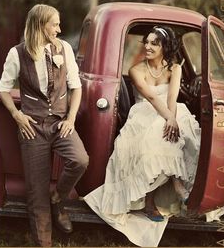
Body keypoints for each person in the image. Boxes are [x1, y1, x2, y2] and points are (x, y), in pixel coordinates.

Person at [84, 26, 201, 247]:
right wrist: (169, 119)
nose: (147, 46)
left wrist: (172, 119)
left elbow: (171, 98)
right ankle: (172, 188)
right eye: (146, 42)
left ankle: (156, 198)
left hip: (170, 112)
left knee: (174, 132)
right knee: (156, 134)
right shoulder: (137, 69)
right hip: (144, 113)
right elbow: (151, 98)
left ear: (165, 47)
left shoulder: (175, 69)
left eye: (154, 43)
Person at [0, 4, 89, 247]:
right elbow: (5, 90)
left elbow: (75, 87)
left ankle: (58, 197)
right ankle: (44, 244)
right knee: (36, 194)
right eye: (55, 24)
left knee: (80, 159)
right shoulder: (17, 53)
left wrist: (70, 119)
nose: (59, 29)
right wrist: (17, 115)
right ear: (40, 25)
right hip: (32, 127)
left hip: (60, 123)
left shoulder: (65, 49)